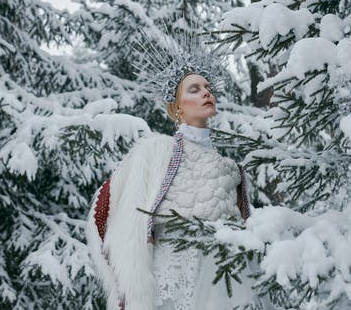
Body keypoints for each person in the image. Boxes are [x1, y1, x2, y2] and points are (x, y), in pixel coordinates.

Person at [86, 70, 255, 310]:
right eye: (194, 89)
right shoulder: (159, 150)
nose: (206, 92)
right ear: (177, 107)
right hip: (175, 278)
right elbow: (128, 214)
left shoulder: (232, 170)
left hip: (226, 282)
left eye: (207, 87)